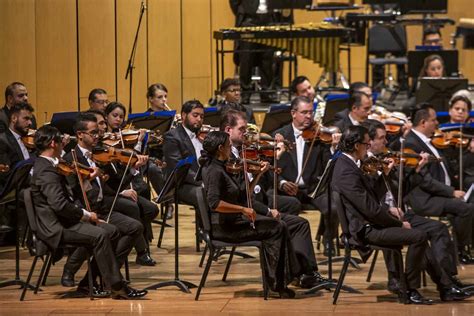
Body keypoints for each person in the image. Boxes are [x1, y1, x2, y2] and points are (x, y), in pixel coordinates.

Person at [200, 130, 327, 298]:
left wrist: (258, 174)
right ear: (220, 148)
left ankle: (282, 279)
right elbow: (214, 204)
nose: (231, 147)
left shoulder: (223, 167)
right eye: (228, 145)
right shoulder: (214, 171)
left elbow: (243, 195)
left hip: (233, 222)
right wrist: (243, 209)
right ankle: (278, 283)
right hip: (225, 227)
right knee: (277, 227)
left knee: (278, 225)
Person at [30, 125, 147, 299]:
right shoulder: (45, 170)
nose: (64, 144)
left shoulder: (51, 165)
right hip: (56, 226)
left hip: (65, 219)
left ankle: (89, 284)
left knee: (112, 230)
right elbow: (60, 205)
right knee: (100, 234)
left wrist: (87, 180)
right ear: (53, 143)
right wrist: (86, 215)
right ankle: (117, 286)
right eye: (61, 141)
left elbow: (65, 196)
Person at [362, 119, 472, 301]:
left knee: (439, 229)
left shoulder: (387, 158)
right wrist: (388, 209)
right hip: (381, 216)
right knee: (417, 235)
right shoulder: (365, 164)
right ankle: (433, 285)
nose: (386, 142)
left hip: (402, 211)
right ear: (369, 141)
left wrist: (417, 170)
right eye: (382, 138)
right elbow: (367, 200)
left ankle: (448, 279)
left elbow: (403, 189)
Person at [332, 125, 432, 304]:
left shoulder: (349, 164)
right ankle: (409, 289)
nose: (369, 147)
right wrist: (399, 224)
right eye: (366, 144)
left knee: (421, 233)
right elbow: (371, 210)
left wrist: (383, 175)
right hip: (364, 230)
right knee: (419, 236)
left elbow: (370, 198)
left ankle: (412, 286)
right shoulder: (346, 170)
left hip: (369, 224)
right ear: (356, 146)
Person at [61, 113, 144, 288]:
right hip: (84, 211)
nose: (98, 136)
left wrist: (131, 170)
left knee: (135, 227)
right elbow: (71, 191)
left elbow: (111, 186)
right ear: (80, 134)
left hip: (103, 207)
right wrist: (89, 178)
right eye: (93, 133)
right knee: (107, 232)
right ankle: (73, 269)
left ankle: (99, 274)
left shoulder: (99, 155)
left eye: (98, 132)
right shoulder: (71, 159)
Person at [404, 103, 474, 264]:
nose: (437, 123)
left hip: (439, 193)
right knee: (465, 208)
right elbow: (425, 180)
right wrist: (451, 192)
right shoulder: (411, 144)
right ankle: (461, 249)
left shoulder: (429, 140)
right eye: (434, 120)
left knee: (469, 202)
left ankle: (460, 248)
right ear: (423, 122)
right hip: (425, 198)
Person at [273, 96, 340, 255]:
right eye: (304, 112)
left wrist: (333, 148)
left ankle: (328, 239)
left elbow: (327, 165)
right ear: (293, 113)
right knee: (283, 204)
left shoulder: (319, 136)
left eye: (311, 112)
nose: (309, 116)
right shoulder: (280, 135)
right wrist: (281, 182)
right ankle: (288, 243)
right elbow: (270, 168)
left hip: (312, 189)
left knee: (334, 205)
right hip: (286, 190)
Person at [104, 102, 160, 266]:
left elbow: (129, 162)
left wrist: (138, 143)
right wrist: (121, 192)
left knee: (151, 209)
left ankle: (131, 241)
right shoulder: (102, 144)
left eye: (121, 117)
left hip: (124, 186)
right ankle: (142, 251)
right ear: (106, 116)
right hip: (113, 193)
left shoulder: (121, 137)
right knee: (133, 208)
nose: (118, 119)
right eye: (114, 115)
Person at [162, 100, 205, 231]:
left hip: (199, 181)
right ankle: (209, 232)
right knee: (205, 193)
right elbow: (179, 168)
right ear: (184, 115)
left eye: (202, 116)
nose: (199, 119)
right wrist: (203, 181)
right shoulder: (172, 137)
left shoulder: (202, 137)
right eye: (195, 115)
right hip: (181, 185)